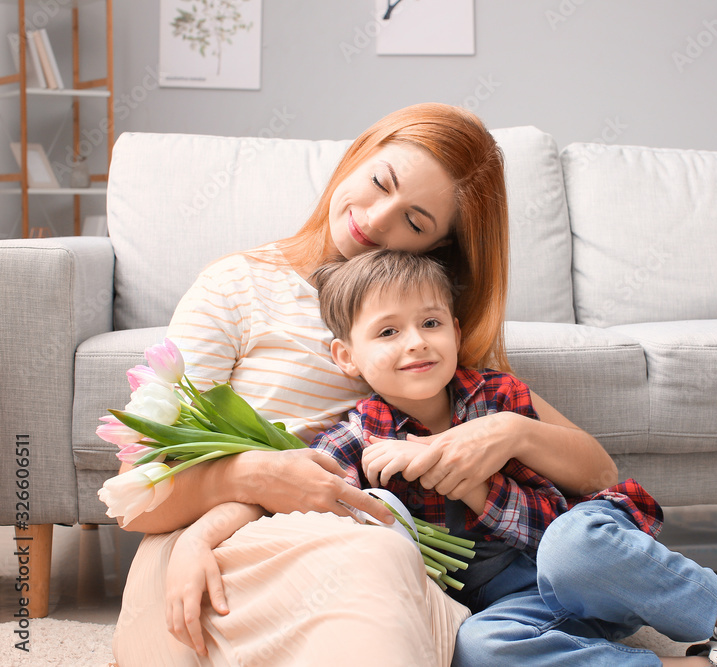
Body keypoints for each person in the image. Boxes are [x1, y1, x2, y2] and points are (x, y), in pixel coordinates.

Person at [111, 103, 618, 667]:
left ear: (436, 252)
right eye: (380, 182)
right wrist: (253, 476)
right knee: (376, 562)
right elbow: (135, 497)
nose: (377, 220)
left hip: (379, 556)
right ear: (360, 153)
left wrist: (509, 431)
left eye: (415, 223)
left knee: (394, 568)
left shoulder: (422, 330)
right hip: (223, 546)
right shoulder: (237, 287)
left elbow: (600, 473)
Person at [168, 250, 717, 667]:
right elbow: (274, 490)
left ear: (457, 329)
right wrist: (199, 536)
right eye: (388, 330)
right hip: (517, 606)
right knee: (480, 651)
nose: (416, 342)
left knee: (575, 547)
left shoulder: (495, 395)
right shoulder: (353, 439)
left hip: (587, 561)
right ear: (346, 357)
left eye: (432, 322)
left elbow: (597, 471)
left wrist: (494, 434)